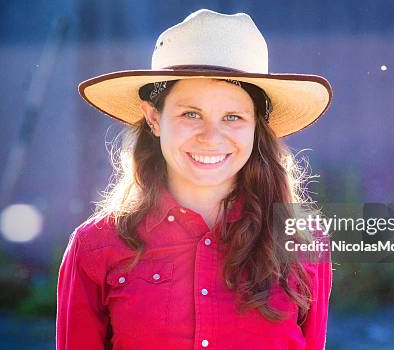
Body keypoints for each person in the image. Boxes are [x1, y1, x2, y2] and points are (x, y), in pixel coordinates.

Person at [57, 8, 333, 350]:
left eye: (232, 116)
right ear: (154, 118)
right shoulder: (95, 247)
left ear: (256, 127)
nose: (211, 136)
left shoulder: (303, 242)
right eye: (191, 113)